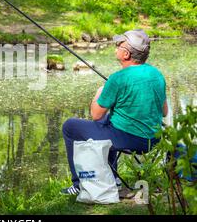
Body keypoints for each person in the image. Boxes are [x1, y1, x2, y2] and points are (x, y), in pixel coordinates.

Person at [61, 29, 168, 195]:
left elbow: (96, 115)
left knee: (70, 126)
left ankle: (78, 185)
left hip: (131, 140)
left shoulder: (117, 78)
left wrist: (99, 92)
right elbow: (165, 112)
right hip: (153, 139)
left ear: (126, 54)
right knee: (110, 119)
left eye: (118, 45)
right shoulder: (157, 74)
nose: (115, 48)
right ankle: (113, 178)